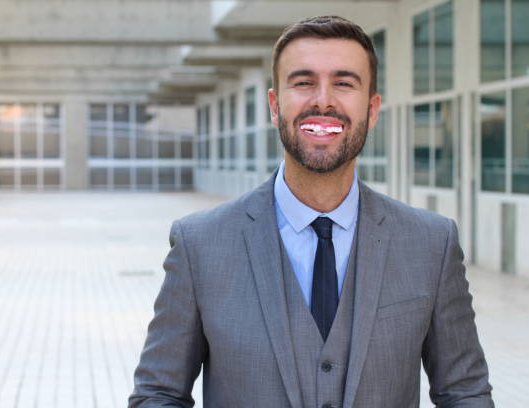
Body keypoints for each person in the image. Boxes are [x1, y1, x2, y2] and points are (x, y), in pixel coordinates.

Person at [129, 15, 493, 408]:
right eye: (303, 82)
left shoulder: (430, 243)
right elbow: (158, 394)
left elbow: (465, 393)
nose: (323, 100)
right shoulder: (199, 244)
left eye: (343, 83)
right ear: (274, 105)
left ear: (372, 110)